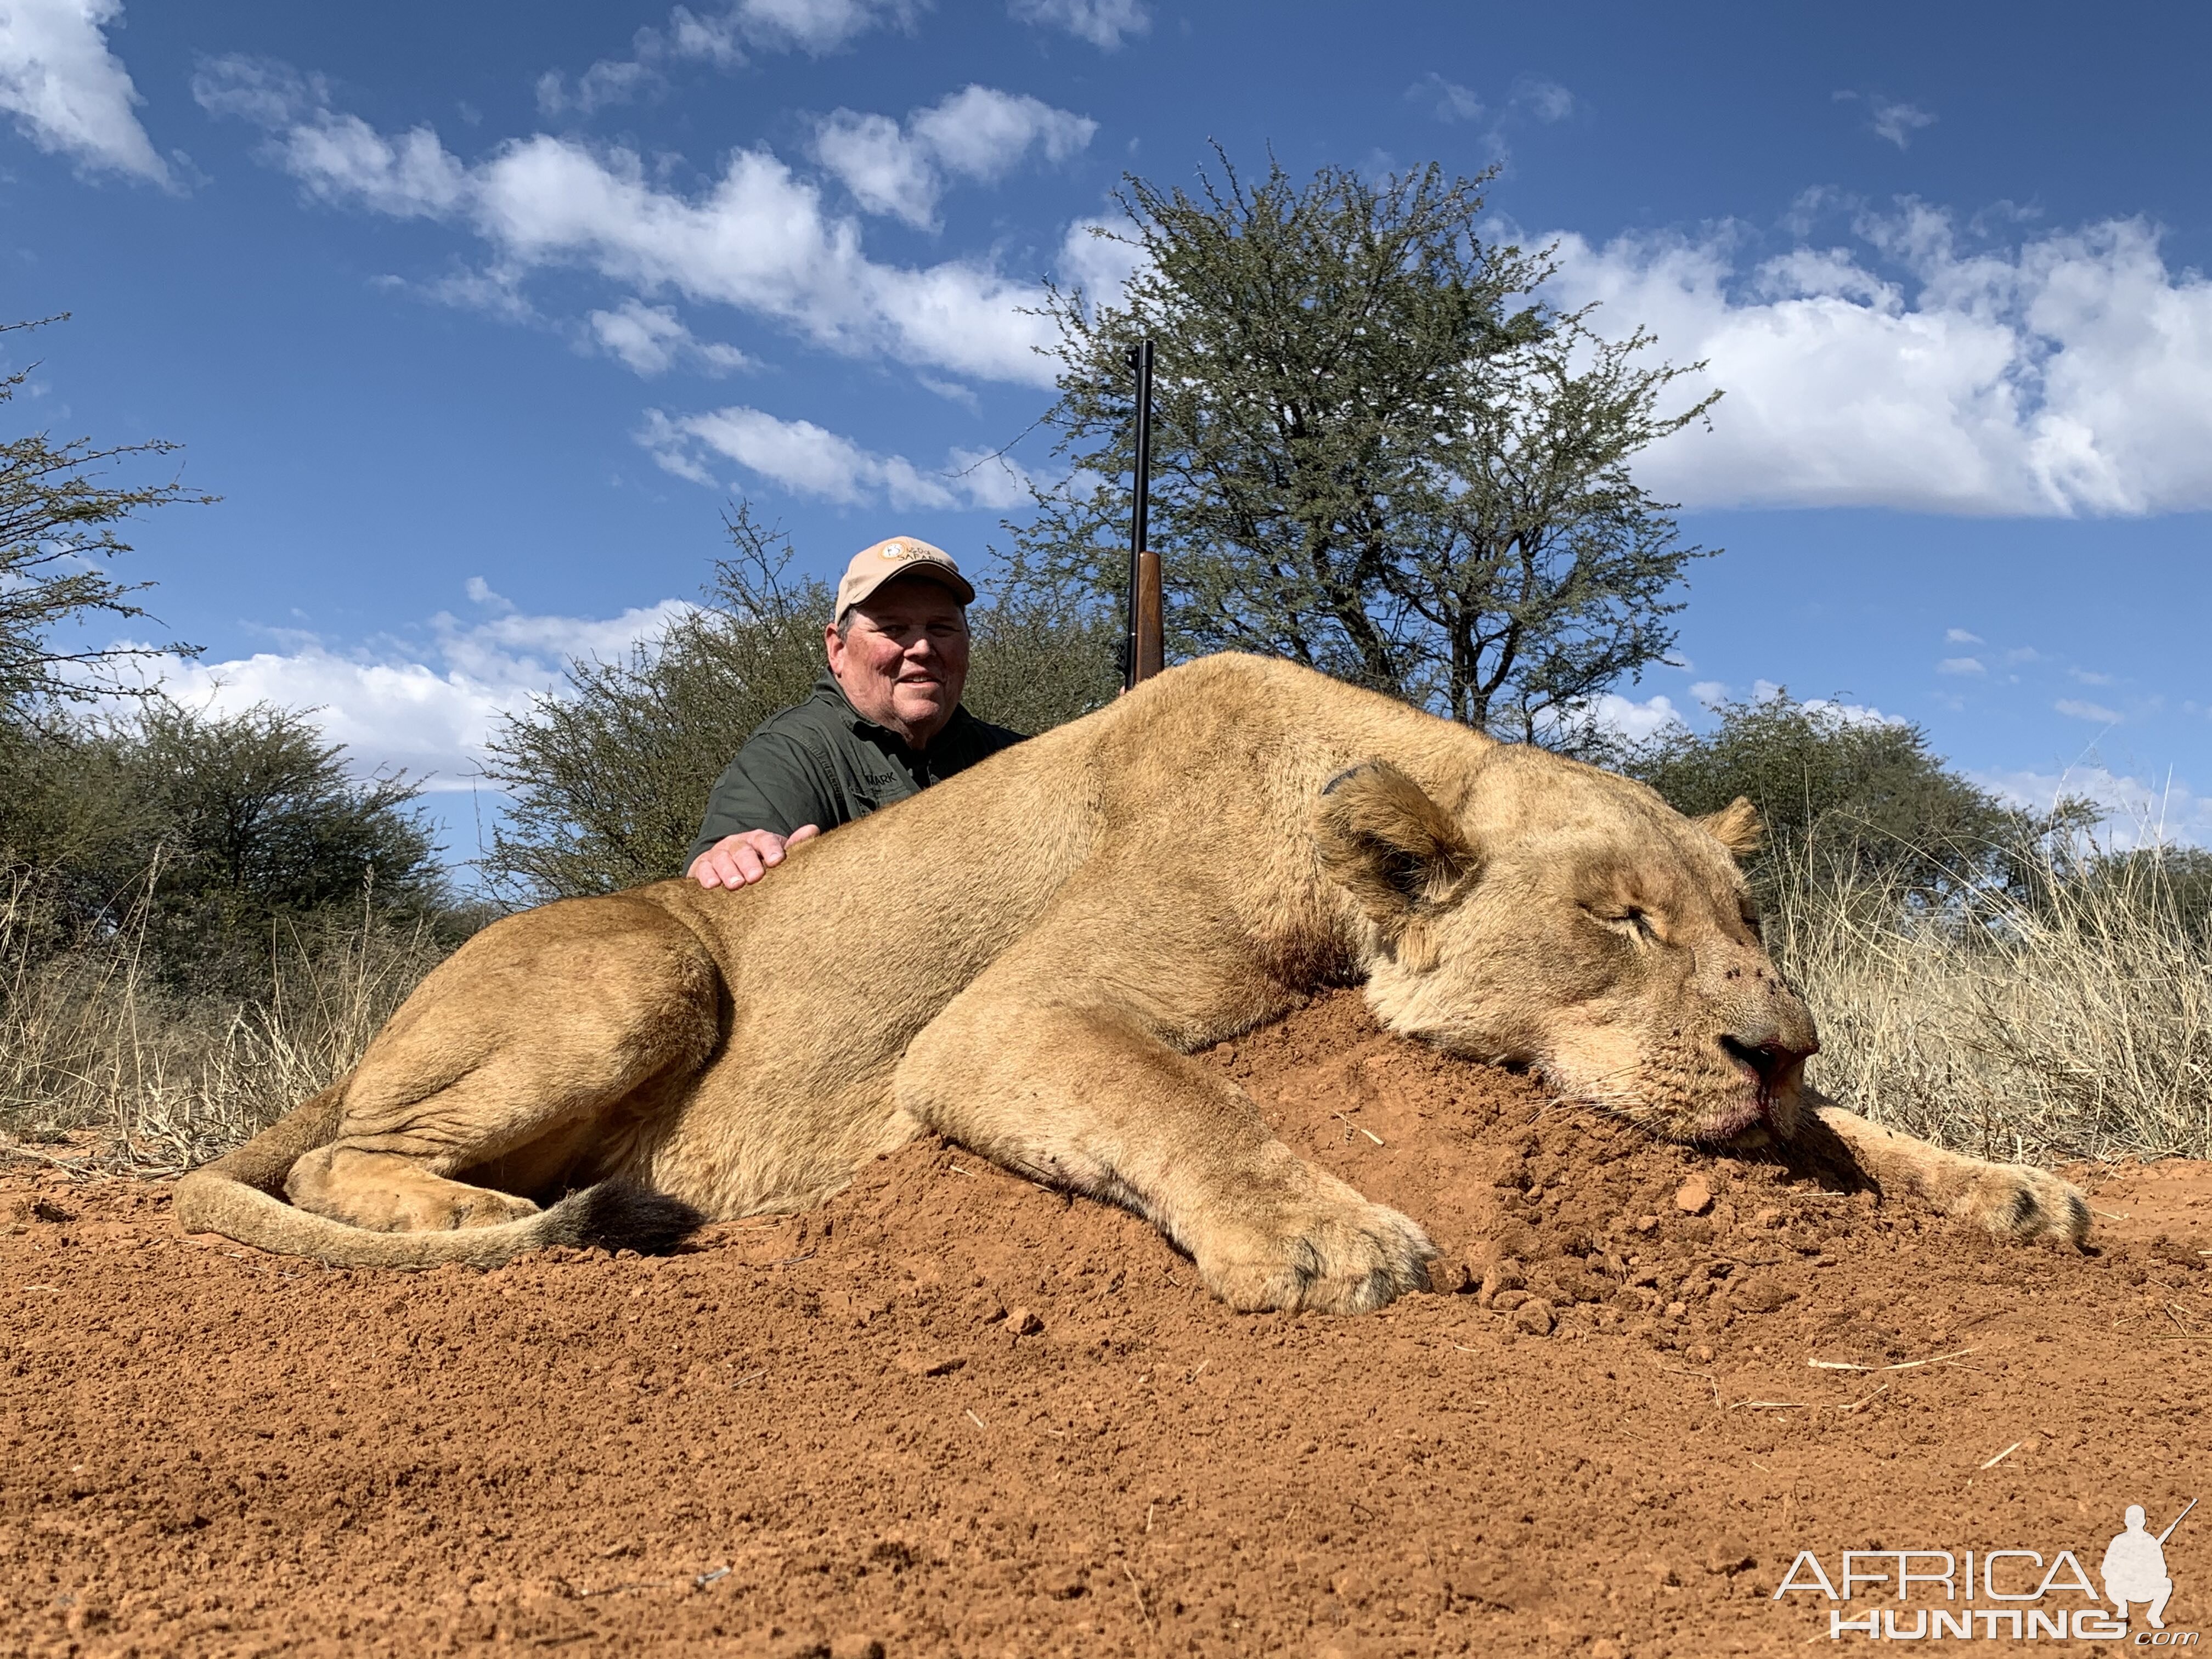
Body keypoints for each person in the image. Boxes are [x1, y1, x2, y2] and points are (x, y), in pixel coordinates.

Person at [686, 535, 1024, 889]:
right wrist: (733, 852)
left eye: (941, 628)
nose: (923, 648)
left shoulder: (1014, 756)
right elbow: (733, 848)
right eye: (892, 629)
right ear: (838, 650)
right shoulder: (790, 752)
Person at [2101, 1504, 2175, 1629]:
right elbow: (2106, 1570)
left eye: (2137, 1519)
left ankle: (2154, 1615)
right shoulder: (2119, 1541)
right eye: (2132, 1519)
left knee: (2166, 1583)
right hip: (2122, 1588)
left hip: (2144, 1588)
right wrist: (2123, 1572)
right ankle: (2122, 1607)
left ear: (2143, 1522)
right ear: (2126, 1522)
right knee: (2110, 1582)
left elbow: (2162, 1570)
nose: (2135, 1522)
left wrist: (2145, 1570)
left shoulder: (2150, 1541)